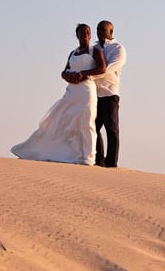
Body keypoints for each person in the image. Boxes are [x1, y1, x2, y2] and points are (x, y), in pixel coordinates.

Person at [11, 24, 107, 165]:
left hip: (86, 91)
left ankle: (88, 156)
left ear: (90, 34)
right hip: (72, 91)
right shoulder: (73, 53)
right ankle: (67, 153)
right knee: (63, 119)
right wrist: (68, 76)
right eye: (81, 32)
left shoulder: (95, 51)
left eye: (87, 32)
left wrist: (83, 74)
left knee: (86, 121)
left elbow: (102, 68)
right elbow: (64, 71)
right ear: (77, 35)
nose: (85, 34)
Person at [93, 20, 127, 167]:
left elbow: (107, 69)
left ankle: (112, 163)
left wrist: (88, 75)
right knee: (92, 128)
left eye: (103, 29)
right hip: (94, 95)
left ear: (110, 32)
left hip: (110, 94)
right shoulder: (93, 48)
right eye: (98, 29)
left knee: (112, 130)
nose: (100, 32)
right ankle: (99, 161)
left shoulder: (118, 49)